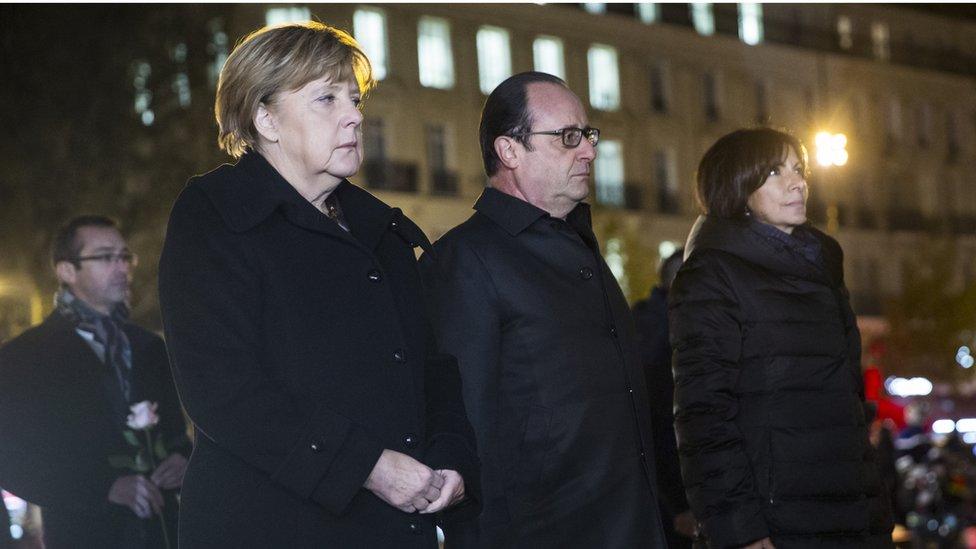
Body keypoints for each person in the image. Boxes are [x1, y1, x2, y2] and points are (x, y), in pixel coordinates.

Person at [157, 21, 478, 547]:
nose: (354, 116)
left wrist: (450, 459)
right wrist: (369, 467)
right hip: (268, 525)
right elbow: (220, 390)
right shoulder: (217, 214)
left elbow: (431, 369)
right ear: (266, 118)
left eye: (354, 99)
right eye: (326, 99)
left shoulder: (383, 229)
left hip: (393, 528)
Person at [420, 71, 665, 548]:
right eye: (568, 137)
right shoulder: (465, 260)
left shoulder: (582, 247)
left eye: (588, 135)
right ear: (510, 150)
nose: (589, 151)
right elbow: (463, 426)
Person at [669, 128, 894, 548]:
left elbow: (848, 404)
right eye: (774, 171)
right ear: (737, 187)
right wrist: (743, 533)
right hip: (776, 522)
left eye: (798, 168)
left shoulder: (824, 266)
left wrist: (875, 511)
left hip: (851, 517)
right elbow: (704, 417)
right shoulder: (712, 275)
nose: (797, 182)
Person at [0, 215, 191, 548]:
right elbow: (13, 459)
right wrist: (106, 487)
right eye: (105, 257)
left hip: (161, 531)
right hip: (85, 534)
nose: (122, 268)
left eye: (125, 256)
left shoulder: (148, 347)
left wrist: (179, 459)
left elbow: (176, 431)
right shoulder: (26, 355)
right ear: (67, 271)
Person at [632, 248, 698, 548]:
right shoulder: (664, 333)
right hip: (673, 502)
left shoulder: (643, 321)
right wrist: (677, 504)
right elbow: (657, 421)